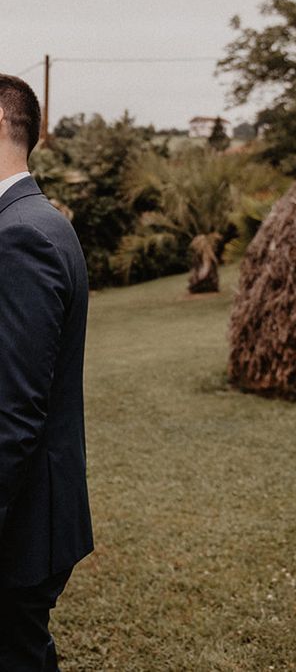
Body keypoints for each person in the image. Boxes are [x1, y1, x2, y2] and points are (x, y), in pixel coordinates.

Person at [0, 74, 93, 671]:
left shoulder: (19, 236)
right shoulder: (40, 220)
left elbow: (13, 414)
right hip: (36, 512)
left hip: (22, 525)